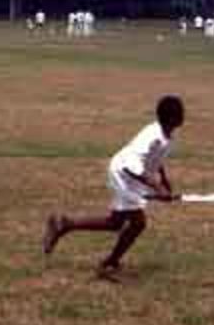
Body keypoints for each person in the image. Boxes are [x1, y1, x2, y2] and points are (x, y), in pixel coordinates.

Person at [43, 95, 184, 280]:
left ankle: (67, 225)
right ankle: (106, 259)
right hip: (123, 173)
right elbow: (132, 165)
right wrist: (157, 187)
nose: (184, 116)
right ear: (173, 118)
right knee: (135, 223)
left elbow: (155, 160)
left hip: (135, 177)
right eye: (181, 113)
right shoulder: (152, 135)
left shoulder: (167, 136)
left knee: (118, 222)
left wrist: (164, 181)